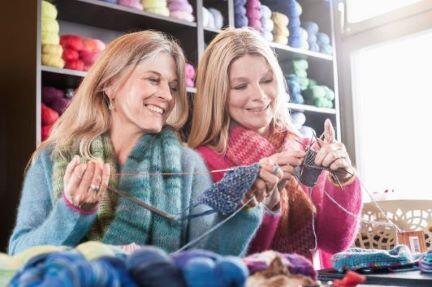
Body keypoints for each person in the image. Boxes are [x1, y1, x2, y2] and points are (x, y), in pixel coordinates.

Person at [8, 31, 279, 256]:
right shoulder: (52, 158)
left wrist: (245, 208)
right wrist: (72, 210)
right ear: (110, 85)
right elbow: (19, 254)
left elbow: (209, 262)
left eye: (173, 87)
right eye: (153, 79)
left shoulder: (188, 164)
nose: (166, 95)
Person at [188, 28, 362, 265]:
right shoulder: (201, 163)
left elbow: (335, 243)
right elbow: (218, 261)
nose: (259, 95)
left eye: (267, 80)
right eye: (240, 86)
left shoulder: (305, 148)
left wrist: (344, 179)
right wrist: (268, 203)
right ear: (217, 94)